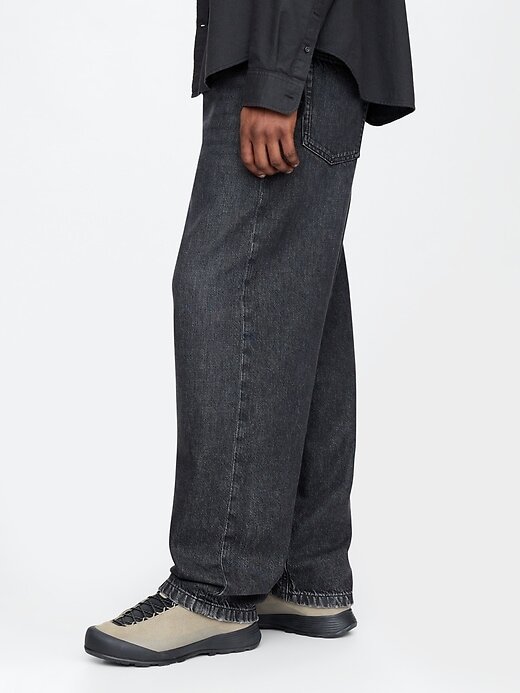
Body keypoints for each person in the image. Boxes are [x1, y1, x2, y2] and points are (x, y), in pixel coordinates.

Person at [85, 0, 414, 666]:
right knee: (297, 297)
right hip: (311, 55)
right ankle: (307, 573)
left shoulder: (279, 74)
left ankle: (213, 585)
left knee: (225, 287)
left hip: (288, 56)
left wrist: (275, 78)